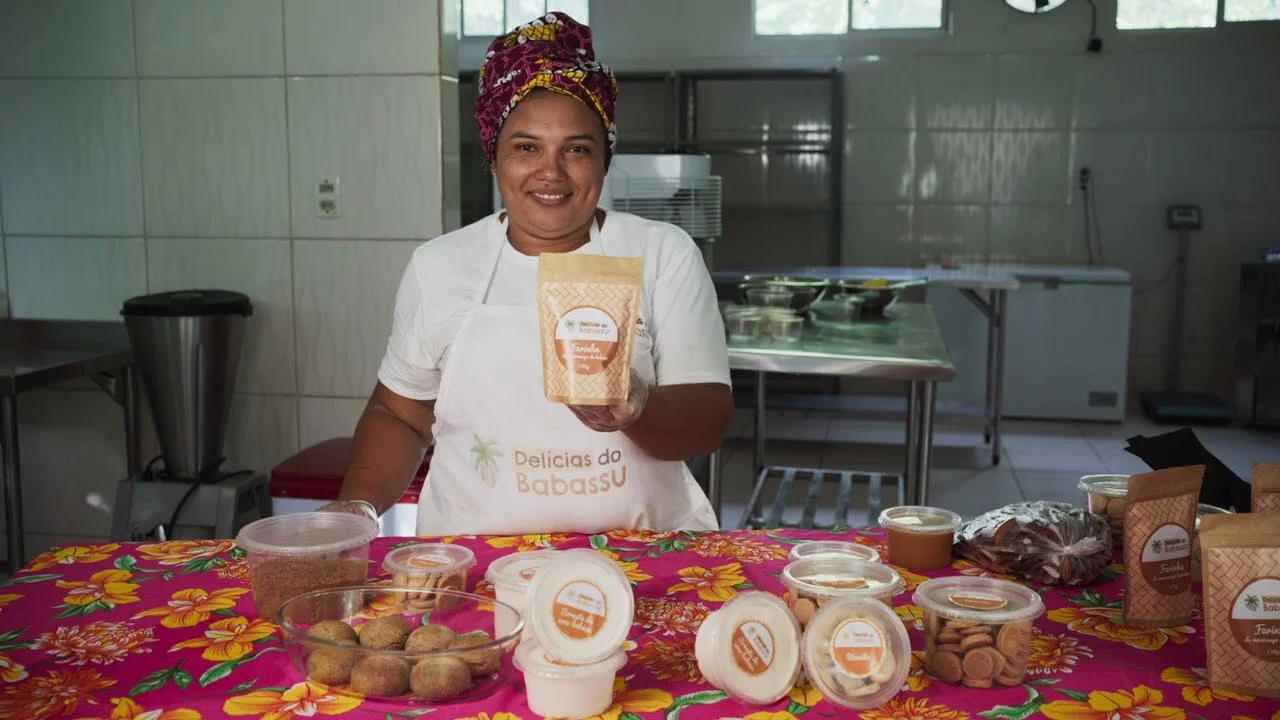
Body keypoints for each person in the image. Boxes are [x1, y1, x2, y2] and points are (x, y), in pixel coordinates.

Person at [319, 12, 732, 536]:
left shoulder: (661, 253)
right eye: (526, 147)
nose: (550, 173)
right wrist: (357, 506)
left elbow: (707, 421)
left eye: (577, 149)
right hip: (474, 572)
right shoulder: (440, 265)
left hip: (642, 565)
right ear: (494, 158)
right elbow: (399, 415)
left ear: (605, 160)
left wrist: (638, 404)